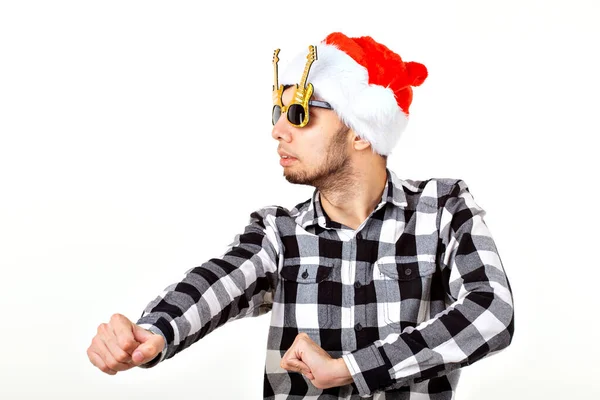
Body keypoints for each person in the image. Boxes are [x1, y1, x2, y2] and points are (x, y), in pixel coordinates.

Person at [87, 32, 515, 399]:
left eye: (301, 113)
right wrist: (154, 331)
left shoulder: (442, 209)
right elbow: (219, 281)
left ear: (362, 131)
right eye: (279, 113)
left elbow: (492, 312)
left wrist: (349, 368)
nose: (278, 130)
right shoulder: (279, 231)